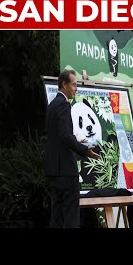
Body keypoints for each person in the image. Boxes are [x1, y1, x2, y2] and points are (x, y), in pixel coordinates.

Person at [45, 69, 101, 228]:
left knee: (56, 216)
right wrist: (84, 150)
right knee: (70, 216)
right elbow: (63, 135)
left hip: (54, 170)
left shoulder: (52, 105)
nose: (76, 88)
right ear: (64, 84)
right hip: (65, 171)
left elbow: (58, 136)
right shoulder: (63, 105)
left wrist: (75, 139)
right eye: (74, 85)